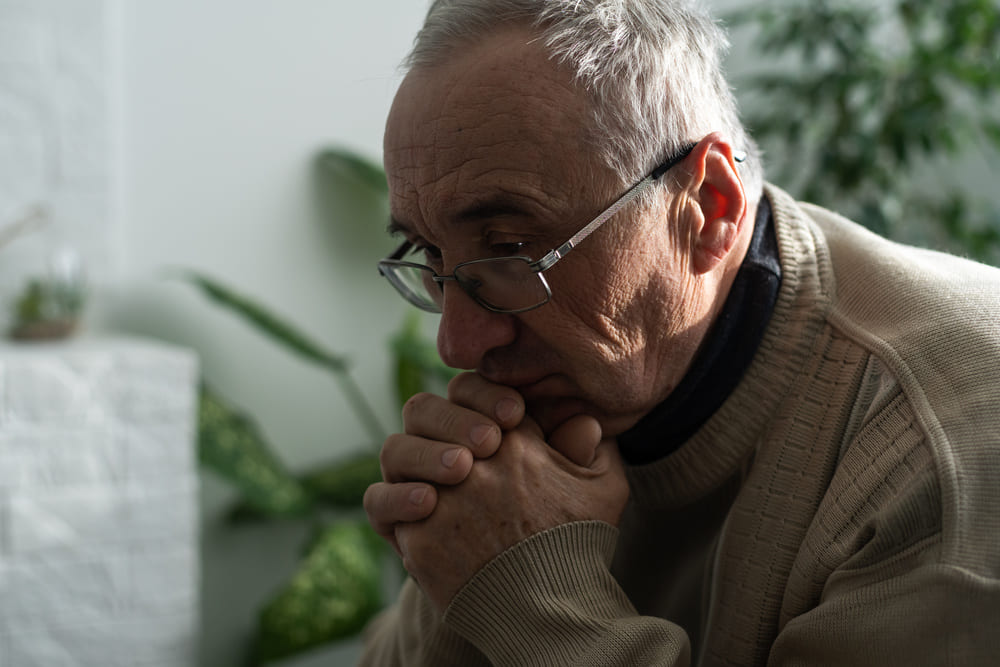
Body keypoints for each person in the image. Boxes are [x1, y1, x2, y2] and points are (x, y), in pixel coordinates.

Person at [359, 0, 1000, 664]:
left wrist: (535, 597)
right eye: (433, 257)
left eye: (512, 246)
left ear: (707, 208)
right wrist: (459, 563)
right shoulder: (566, 402)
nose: (458, 345)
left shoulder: (948, 447)